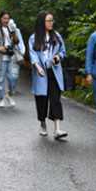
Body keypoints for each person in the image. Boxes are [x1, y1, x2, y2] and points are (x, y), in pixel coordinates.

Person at [29, 10, 67, 139]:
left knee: (55, 99)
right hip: (41, 73)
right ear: (42, 22)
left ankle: (58, 128)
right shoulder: (34, 38)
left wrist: (58, 57)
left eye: (52, 21)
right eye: (48, 21)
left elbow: (63, 52)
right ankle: (43, 123)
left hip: (54, 72)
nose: (51, 23)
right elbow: (33, 55)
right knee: (42, 100)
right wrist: (38, 67)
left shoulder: (57, 36)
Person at [0, 10, 20, 108]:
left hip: (11, 57)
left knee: (14, 77)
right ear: (0, 18)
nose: (6, 20)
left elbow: (17, 41)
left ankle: (10, 94)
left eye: (7, 19)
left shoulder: (12, 28)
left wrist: (14, 35)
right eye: (4, 18)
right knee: (0, 79)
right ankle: (1, 98)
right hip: (0, 58)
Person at [6, 19, 25, 98]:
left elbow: (20, 41)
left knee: (15, 73)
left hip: (16, 54)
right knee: (9, 73)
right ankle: (10, 89)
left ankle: (12, 87)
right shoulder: (4, 31)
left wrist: (22, 51)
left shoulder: (17, 31)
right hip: (6, 54)